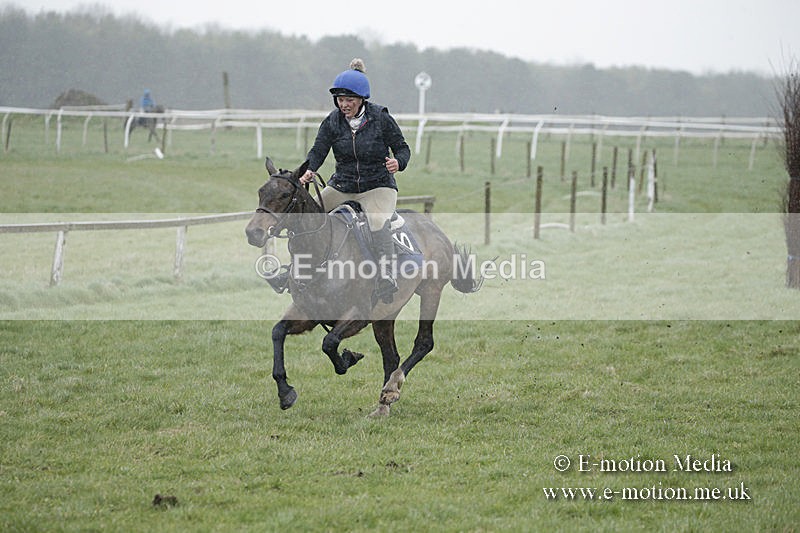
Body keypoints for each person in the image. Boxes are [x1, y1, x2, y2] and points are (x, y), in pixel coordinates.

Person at [300, 58, 411, 304]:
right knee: (306, 215)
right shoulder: (332, 121)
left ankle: (387, 274)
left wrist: (398, 163)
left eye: (349, 100)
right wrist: (309, 171)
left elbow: (402, 149)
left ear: (362, 99)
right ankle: (297, 270)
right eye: (340, 100)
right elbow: (317, 151)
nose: (344, 105)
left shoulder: (380, 118)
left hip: (378, 186)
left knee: (377, 220)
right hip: (343, 185)